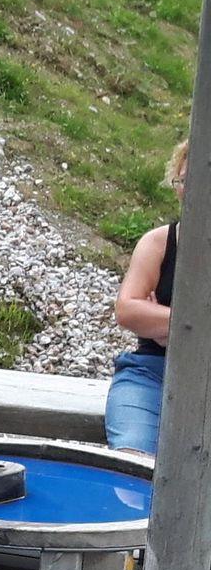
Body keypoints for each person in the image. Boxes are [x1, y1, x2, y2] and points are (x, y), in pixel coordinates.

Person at [106, 139, 190, 453]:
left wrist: (168, 326)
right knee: (132, 457)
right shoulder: (158, 243)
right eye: (183, 181)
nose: (190, 190)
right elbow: (127, 310)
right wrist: (187, 327)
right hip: (151, 374)